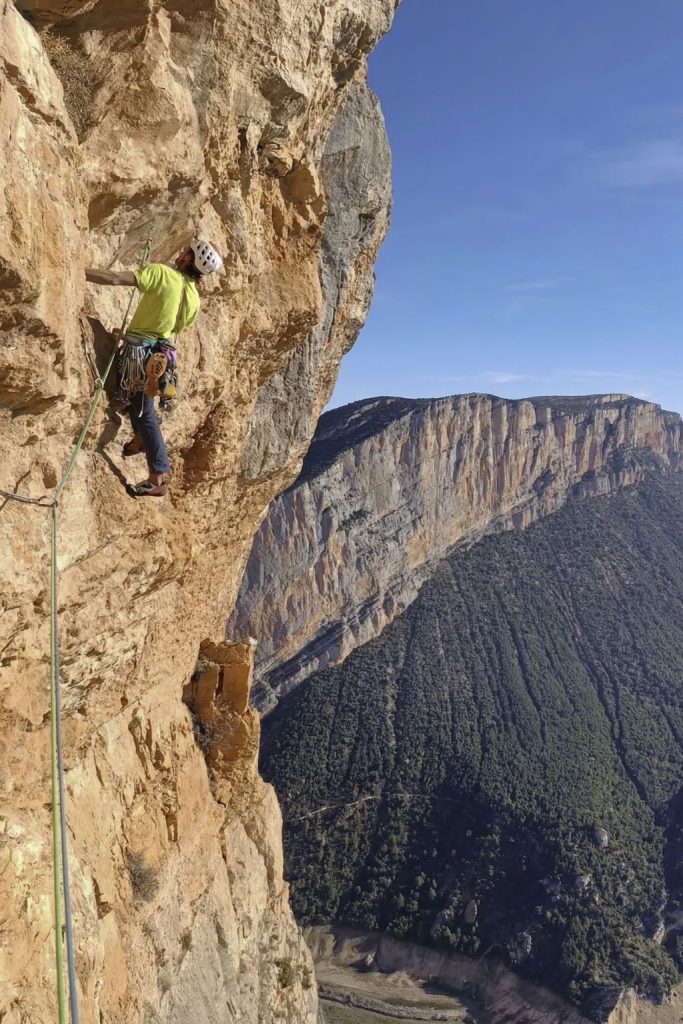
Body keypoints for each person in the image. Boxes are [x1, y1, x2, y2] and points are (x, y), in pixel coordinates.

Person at [86, 240, 223, 497]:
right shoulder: (194, 298)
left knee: (143, 409)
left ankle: (157, 476)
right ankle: (139, 439)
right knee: (137, 403)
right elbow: (177, 328)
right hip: (161, 355)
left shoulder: (162, 273)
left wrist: (80, 272)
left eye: (186, 252)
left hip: (140, 352)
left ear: (190, 259)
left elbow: (116, 279)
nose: (181, 252)